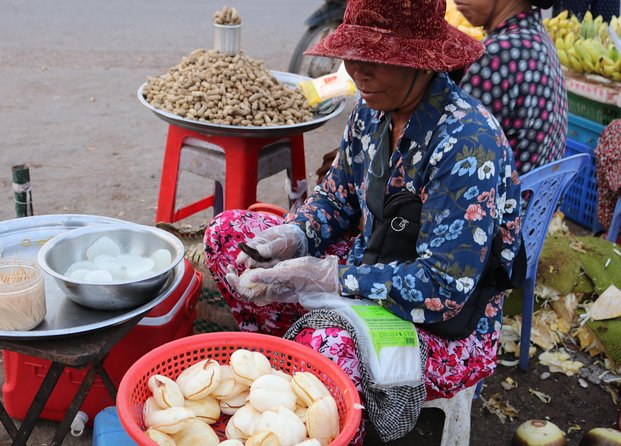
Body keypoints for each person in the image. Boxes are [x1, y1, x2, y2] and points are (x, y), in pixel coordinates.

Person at [204, 0, 524, 441]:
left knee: (326, 356)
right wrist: (296, 235)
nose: (357, 71)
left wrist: (331, 277)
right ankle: (280, 368)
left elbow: (444, 289)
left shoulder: (467, 145)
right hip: (369, 267)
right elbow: (336, 199)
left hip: (445, 327)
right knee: (228, 236)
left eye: (376, 59)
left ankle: (315, 392)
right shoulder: (372, 111)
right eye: (353, 55)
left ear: (421, 60)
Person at [455, 0, 568, 175]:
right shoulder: (538, 37)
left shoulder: (494, 57)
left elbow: (459, 153)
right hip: (533, 198)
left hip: (506, 199)